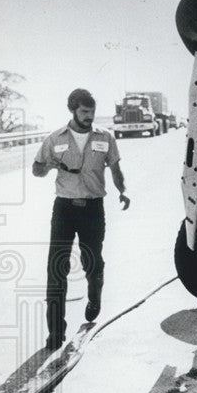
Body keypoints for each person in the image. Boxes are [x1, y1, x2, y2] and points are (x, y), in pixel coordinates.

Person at [32, 89, 130, 350]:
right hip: (64, 209)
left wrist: (123, 191)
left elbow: (116, 169)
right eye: (84, 112)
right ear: (73, 110)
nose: (89, 117)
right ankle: (55, 333)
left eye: (92, 112)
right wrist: (50, 165)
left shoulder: (105, 137)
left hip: (93, 209)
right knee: (56, 269)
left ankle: (94, 293)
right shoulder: (55, 139)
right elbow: (36, 169)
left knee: (92, 261)